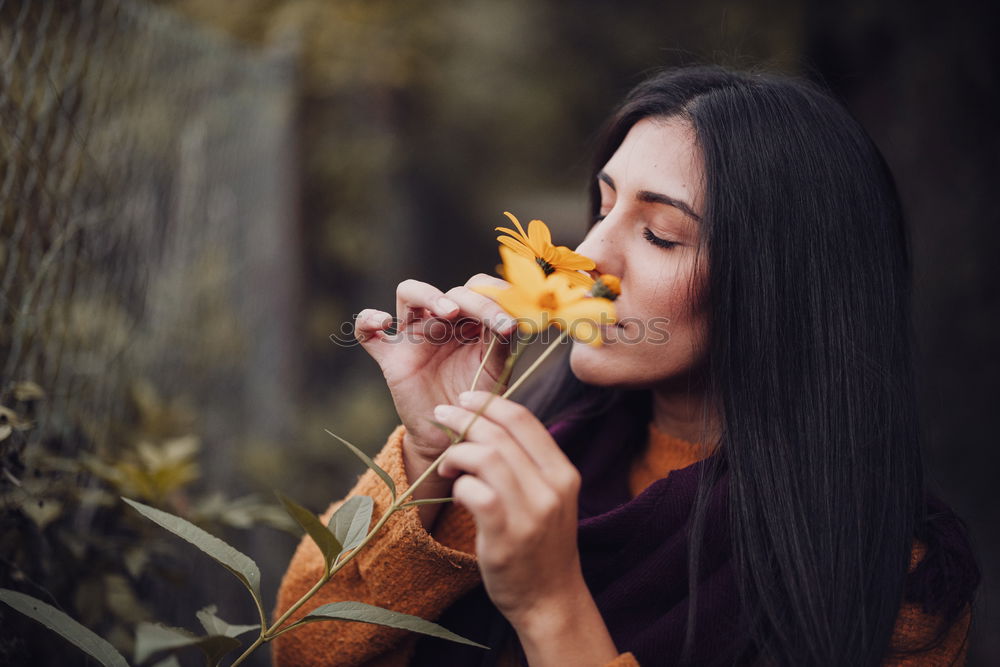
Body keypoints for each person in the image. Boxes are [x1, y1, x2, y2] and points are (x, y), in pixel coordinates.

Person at [273, 65, 980, 666]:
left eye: (660, 234)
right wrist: (435, 457)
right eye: (603, 206)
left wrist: (552, 606)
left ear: (784, 286)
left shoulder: (899, 576)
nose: (587, 259)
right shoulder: (531, 443)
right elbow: (298, 646)